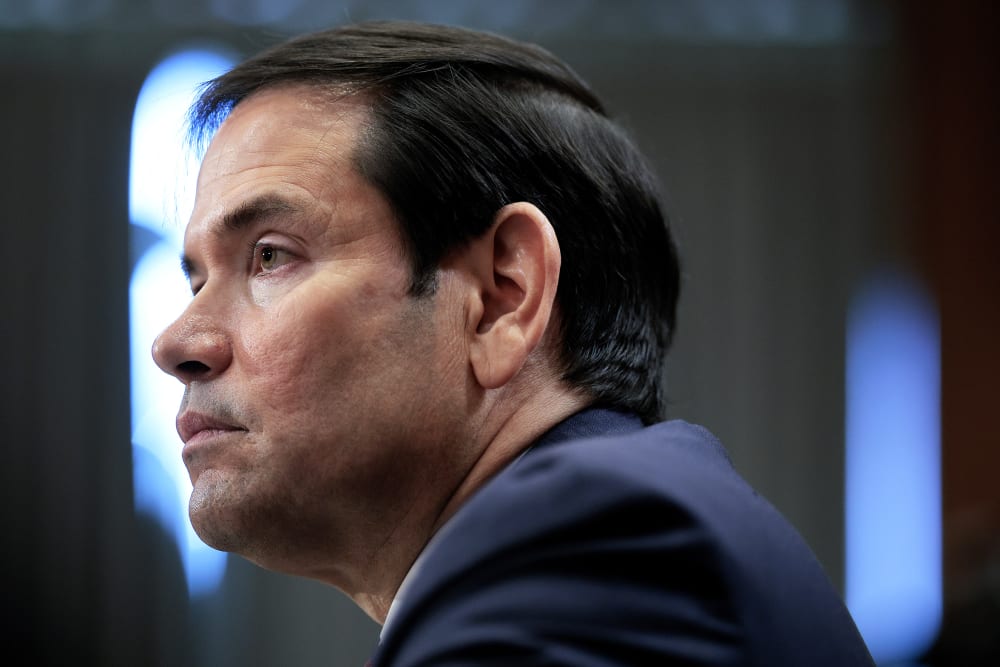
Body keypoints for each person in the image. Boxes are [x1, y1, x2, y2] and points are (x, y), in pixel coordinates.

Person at [152, 20, 875, 666]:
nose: (177, 341)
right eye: (195, 281)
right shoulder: (590, 544)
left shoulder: (589, 560)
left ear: (503, 296)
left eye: (270, 255)